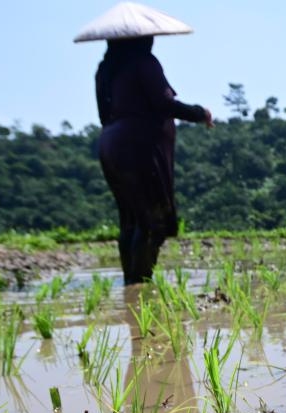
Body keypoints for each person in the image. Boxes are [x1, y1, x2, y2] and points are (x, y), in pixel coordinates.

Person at [78, 3, 213, 284]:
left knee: (130, 218)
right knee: (151, 221)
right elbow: (164, 103)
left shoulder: (105, 70)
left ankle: (131, 281)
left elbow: (104, 115)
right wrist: (200, 113)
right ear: (144, 38)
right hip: (138, 145)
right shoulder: (144, 63)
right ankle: (140, 286)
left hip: (110, 143)